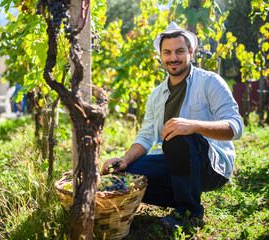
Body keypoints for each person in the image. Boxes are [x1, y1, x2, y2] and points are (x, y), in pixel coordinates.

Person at [101, 22, 244, 232]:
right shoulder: (157, 95)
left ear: (191, 52)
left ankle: (189, 213)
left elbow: (235, 127)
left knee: (177, 136)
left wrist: (194, 126)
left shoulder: (210, 82)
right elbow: (146, 137)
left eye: (179, 51)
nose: (173, 58)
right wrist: (124, 159)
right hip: (174, 163)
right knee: (123, 177)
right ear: (160, 55)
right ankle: (182, 195)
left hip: (211, 167)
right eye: (167, 52)